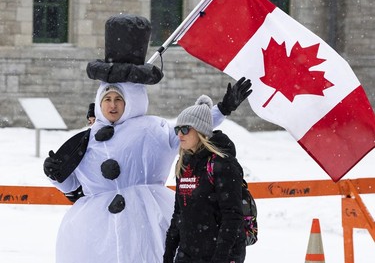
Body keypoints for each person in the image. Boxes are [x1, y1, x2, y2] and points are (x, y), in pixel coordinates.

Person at [43, 14, 252, 263]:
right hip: (96, 232)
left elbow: (190, 130)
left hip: (145, 222)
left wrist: (222, 109)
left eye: (119, 99)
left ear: (131, 101)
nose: (112, 105)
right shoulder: (85, 141)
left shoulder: (152, 130)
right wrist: (56, 175)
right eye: (107, 99)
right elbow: (75, 186)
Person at [163, 95, 247, 263]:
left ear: (200, 130)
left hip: (219, 255)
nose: (179, 134)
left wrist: (220, 257)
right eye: (177, 129)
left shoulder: (223, 164)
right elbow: (179, 214)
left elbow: (232, 217)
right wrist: (168, 254)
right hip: (188, 254)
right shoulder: (184, 164)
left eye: (185, 129)